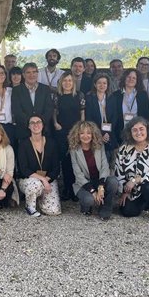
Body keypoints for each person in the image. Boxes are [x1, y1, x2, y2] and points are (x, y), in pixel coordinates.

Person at [69, 121, 118, 219]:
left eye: (88, 133)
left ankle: (105, 207)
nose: (85, 136)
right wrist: (92, 191)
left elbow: (104, 167)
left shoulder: (99, 146)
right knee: (89, 200)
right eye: (82, 133)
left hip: (99, 180)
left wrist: (101, 187)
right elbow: (78, 174)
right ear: (77, 135)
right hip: (84, 183)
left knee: (113, 182)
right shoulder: (74, 149)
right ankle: (86, 205)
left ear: (93, 134)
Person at [17, 114, 61, 217]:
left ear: (43, 125)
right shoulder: (23, 144)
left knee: (53, 211)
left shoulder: (52, 143)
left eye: (38, 122)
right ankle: (30, 206)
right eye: (32, 123)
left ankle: (40, 199)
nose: (35, 125)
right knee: (35, 184)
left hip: (48, 179)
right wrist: (43, 180)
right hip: (29, 180)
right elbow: (23, 169)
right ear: (28, 126)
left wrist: (47, 179)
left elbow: (56, 168)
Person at [52, 71, 85, 201]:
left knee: (76, 161)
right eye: (65, 80)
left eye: (70, 80)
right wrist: (55, 123)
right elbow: (54, 112)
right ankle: (67, 189)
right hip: (61, 131)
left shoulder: (79, 95)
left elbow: (83, 112)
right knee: (65, 161)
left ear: (73, 82)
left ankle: (76, 189)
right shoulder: (57, 96)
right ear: (61, 82)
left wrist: (81, 128)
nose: (67, 83)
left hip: (76, 131)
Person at [109, 68, 149, 148]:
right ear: (124, 78)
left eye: (134, 78)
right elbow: (112, 116)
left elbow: (147, 115)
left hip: (138, 132)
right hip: (121, 131)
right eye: (128, 77)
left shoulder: (142, 95)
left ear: (137, 80)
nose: (131, 79)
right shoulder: (115, 95)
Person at [11, 63, 54, 141]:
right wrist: (31, 124)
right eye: (28, 72)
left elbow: (49, 109)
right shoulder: (16, 90)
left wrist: (39, 124)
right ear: (23, 75)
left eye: (34, 72)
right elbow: (16, 110)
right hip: (24, 131)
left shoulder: (45, 89)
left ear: (37, 74)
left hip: (43, 131)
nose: (32, 75)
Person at [84, 74, 117, 158]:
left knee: (109, 159)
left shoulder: (112, 98)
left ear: (107, 85)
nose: (102, 85)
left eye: (104, 83)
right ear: (95, 84)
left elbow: (114, 117)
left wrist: (107, 133)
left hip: (109, 134)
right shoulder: (89, 98)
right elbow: (89, 118)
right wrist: (100, 134)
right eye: (99, 83)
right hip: (94, 133)